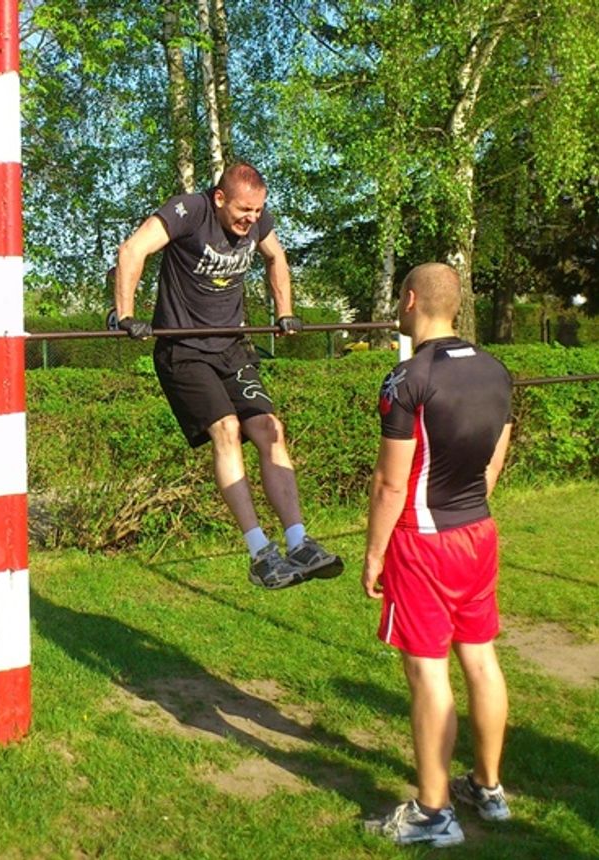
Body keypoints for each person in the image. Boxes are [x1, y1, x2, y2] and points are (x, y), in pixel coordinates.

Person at [114, 161, 342, 589]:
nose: (251, 220)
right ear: (219, 198)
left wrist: (285, 312)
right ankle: (260, 552)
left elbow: (277, 257)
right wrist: (125, 315)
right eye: (243, 211)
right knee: (226, 428)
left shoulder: (258, 220)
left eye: (258, 212)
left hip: (232, 347)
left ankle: (299, 542)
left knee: (269, 427)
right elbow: (132, 250)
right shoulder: (189, 211)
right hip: (184, 351)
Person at [362, 263, 513, 847]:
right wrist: (467, 509)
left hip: (423, 541)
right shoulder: (497, 371)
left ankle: (433, 811)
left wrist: (375, 553)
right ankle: (489, 788)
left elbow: (389, 484)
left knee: (428, 670)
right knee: (480, 656)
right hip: (477, 530)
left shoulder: (406, 378)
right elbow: (496, 456)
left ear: (411, 299)